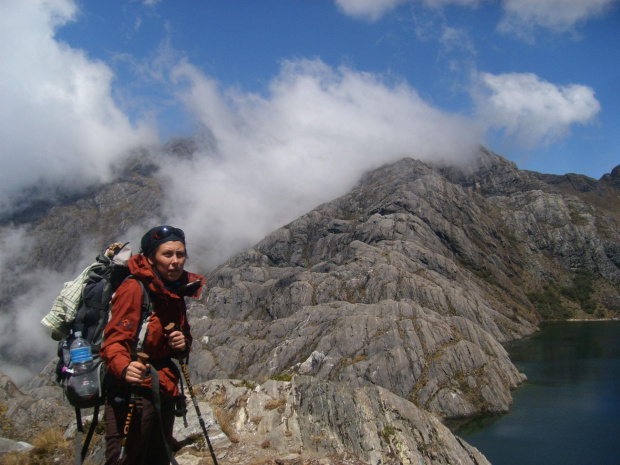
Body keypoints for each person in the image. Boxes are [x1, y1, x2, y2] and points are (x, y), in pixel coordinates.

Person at [101, 226, 205, 464]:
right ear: (150, 257)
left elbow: (182, 336)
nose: (175, 262)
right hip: (131, 391)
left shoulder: (174, 290)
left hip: (164, 386)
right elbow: (113, 342)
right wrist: (125, 368)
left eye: (180, 254)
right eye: (167, 254)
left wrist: (181, 342)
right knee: (126, 458)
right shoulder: (133, 289)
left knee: (157, 458)